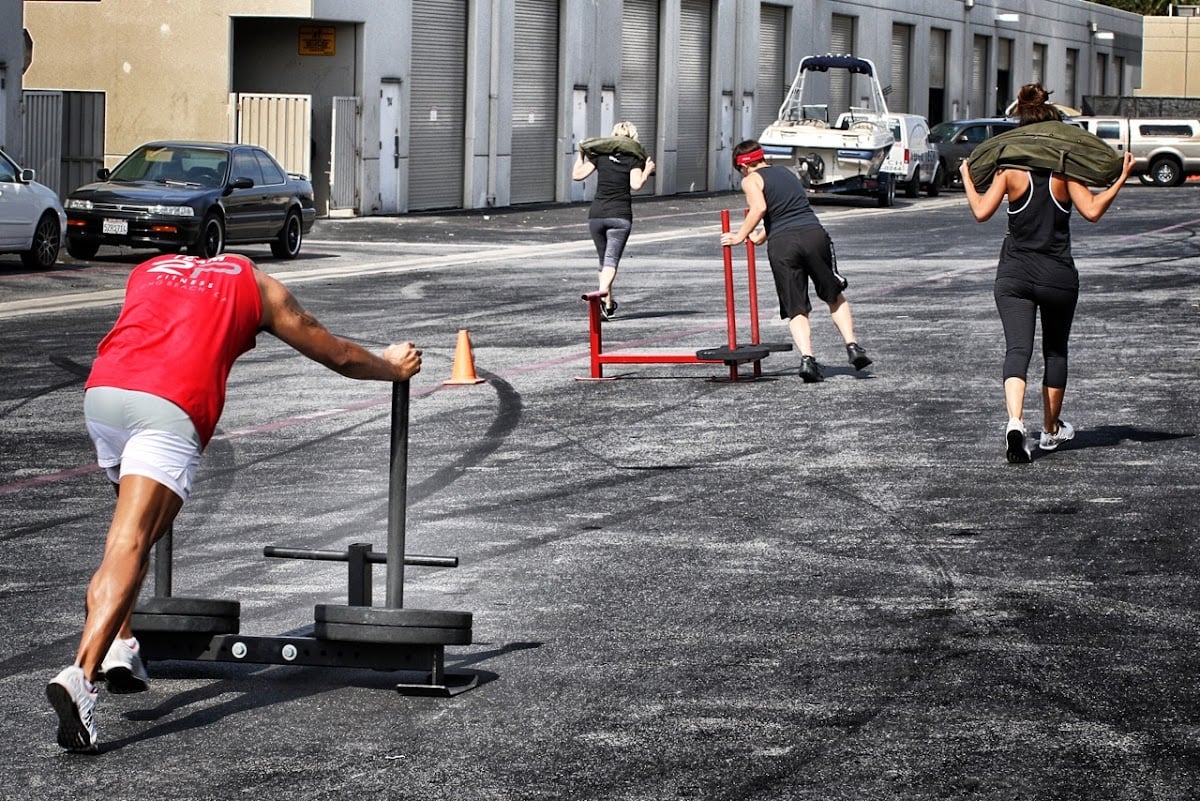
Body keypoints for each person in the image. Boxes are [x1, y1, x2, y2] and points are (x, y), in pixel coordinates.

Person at [46, 252, 423, 753]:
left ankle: (122, 643)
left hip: (105, 393)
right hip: (168, 403)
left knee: (132, 535)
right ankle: (81, 676)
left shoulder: (151, 268)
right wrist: (391, 367)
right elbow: (337, 354)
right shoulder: (259, 288)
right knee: (131, 539)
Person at [960, 82, 1136, 463]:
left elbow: (980, 211)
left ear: (1022, 123)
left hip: (1014, 276)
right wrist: (1120, 179)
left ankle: (1014, 423)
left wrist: (966, 179)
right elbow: (1091, 211)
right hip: (1057, 276)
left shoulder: (1009, 170)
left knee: (1017, 350)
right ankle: (1052, 432)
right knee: (1055, 352)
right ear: (1052, 122)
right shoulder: (1064, 169)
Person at [720, 140, 872, 382]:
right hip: (812, 234)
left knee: (796, 307)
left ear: (743, 167)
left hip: (783, 245)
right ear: (763, 158)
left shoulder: (750, 180)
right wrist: (759, 237)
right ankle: (852, 346)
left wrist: (739, 236)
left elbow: (760, 208)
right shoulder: (786, 173)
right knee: (833, 294)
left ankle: (808, 360)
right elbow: (786, 209)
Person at [572, 121, 656, 320]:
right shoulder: (634, 158)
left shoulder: (600, 157)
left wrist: (581, 154)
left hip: (597, 215)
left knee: (603, 262)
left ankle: (608, 304)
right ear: (633, 138)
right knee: (611, 261)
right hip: (619, 215)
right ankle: (600, 298)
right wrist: (647, 170)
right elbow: (636, 185)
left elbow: (577, 175)